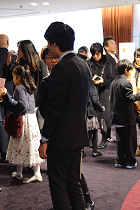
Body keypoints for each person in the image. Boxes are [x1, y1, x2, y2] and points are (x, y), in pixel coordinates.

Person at [39, 21, 92, 210]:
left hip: (61, 138)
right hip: (77, 135)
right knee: (73, 182)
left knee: (58, 184)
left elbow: (55, 109)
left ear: (54, 44)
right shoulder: (82, 64)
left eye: (48, 43)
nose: (48, 48)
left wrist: (45, 138)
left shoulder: (62, 68)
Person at [3, 66, 45, 183]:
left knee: (20, 144)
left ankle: (21, 173)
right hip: (32, 119)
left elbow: (22, 105)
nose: (13, 79)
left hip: (24, 119)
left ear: (18, 77)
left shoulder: (19, 88)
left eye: (13, 76)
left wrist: (12, 108)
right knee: (31, 145)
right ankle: (34, 173)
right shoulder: (29, 87)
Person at [110, 59, 140, 169]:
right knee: (130, 141)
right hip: (127, 117)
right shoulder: (126, 83)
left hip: (116, 117)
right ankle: (130, 161)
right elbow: (131, 98)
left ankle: (120, 161)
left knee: (120, 141)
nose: (131, 72)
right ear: (126, 70)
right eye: (130, 70)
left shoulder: (114, 82)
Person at [0, 34, 17, 163]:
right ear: (8, 42)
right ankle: (14, 153)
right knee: (12, 122)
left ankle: (4, 153)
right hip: (12, 93)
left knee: (1, 122)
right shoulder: (14, 57)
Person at [87, 42, 115, 149]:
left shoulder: (107, 63)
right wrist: (93, 81)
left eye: (97, 54)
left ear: (101, 53)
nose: (95, 56)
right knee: (91, 114)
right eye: (93, 54)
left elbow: (111, 78)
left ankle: (104, 138)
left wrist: (103, 81)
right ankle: (90, 138)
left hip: (104, 91)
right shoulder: (89, 63)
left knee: (104, 115)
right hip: (92, 91)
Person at [87, 84, 105, 157]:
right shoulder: (92, 86)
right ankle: (95, 151)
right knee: (95, 131)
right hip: (91, 112)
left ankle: (82, 152)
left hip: (83, 112)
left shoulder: (81, 84)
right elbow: (95, 100)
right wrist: (101, 108)